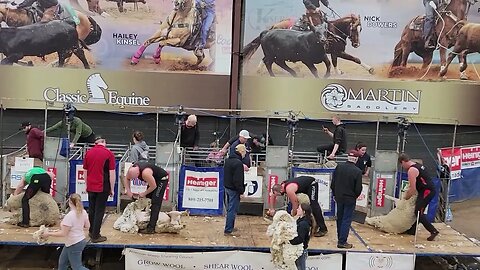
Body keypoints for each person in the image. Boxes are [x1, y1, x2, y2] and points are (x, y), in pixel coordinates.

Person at [43, 193, 90, 270]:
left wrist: (48, 233)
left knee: (77, 267)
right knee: (62, 263)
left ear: (69, 202)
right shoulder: (83, 212)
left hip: (74, 243)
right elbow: (87, 226)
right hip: (78, 241)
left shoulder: (69, 216)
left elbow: (63, 233)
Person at [398, 153, 439, 241]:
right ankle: (412, 230)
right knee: (416, 210)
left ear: (402, 162)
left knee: (418, 211)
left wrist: (405, 199)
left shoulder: (411, 170)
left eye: (401, 165)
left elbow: (412, 189)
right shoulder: (417, 165)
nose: (403, 167)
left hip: (427, 191)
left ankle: (433, 231)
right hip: (425, 190)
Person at [83, 135, 115, 243]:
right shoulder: (108, 154)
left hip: (91, 186)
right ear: (104, 142)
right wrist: (112, 188)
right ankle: (95, 236)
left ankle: (92, 231)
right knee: (99, 211)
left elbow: (85, 172)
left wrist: (87, 185)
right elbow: (111, 173)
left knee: (91, 209)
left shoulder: (88, 153)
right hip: (102, 186)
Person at [124, 162, 169, 234]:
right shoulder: (132, 168)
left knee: (155, 202)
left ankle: (151, 228)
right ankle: (146, 221)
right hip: (153, 179)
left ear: (138, 174)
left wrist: (143, 193)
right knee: (148, 199)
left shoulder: (145, 173)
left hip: (161, 180)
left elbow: (153, 186)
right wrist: (128, 191)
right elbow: (126, 179)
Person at [331, 150, 363, 249]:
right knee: (346, 219)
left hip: (339, 197)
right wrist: (355, 196)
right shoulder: (357, 171)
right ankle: (342, 241)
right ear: (356, 159)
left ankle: (339, 237)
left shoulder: (339, 167)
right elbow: (358, 188)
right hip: (350, 198)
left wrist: (335, 194)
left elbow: (333, 183)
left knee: (339, 218)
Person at [223, 144, 246, 235]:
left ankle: (230, 227)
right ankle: (228, 229)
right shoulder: (238, 163)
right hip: (234, 189)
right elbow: (238, 179)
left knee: (230, 208)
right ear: (241, 151)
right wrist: (241, 191)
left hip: (227, 187)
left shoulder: (228, 160)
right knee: (232, 209)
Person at [290, 203, 313, 270]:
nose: (297, 209)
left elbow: (300, 239)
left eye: (299, 208)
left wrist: (289, 240)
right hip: (300, 250)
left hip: (300, 252)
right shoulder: (302, 221)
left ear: (304, 211)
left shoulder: (303, 224)